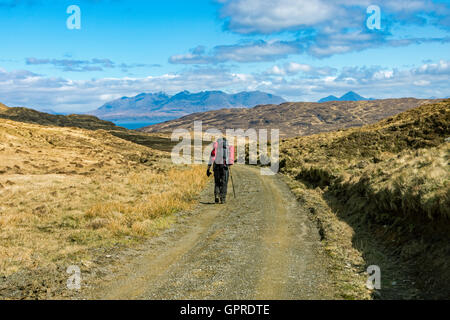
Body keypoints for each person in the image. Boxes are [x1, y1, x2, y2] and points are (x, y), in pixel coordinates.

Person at [206, 138, 234, 204]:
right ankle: (223, 198)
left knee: (217, 182)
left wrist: (208, 169)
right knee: (224, 182)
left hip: (216, 167)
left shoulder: (215, 149)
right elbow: (231, 159)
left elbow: (211, 160)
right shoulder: (227, 149)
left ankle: (216, 195)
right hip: (225, 167)